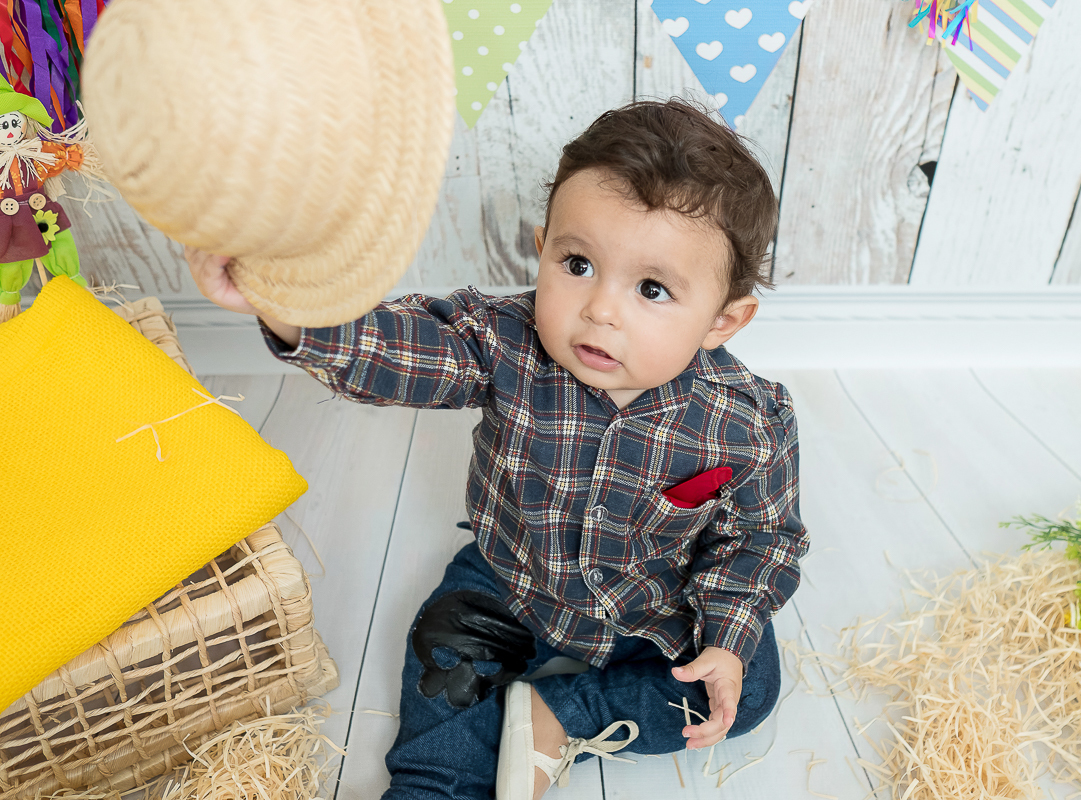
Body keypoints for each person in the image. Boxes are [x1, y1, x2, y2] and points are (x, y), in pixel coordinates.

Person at [187, 98, 808, 800]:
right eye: (577, 263)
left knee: (748, 689)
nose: (600, 308)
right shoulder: (505, 342)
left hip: (653, 606)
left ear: (723, 320)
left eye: (652, 288)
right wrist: (288, 309)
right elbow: (405, 349)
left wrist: (724, 638)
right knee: (443, 658)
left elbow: (762, 539)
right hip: (511, 580)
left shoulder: (747, 420)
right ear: (542, 247)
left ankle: (566, 713)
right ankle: (432, 785)